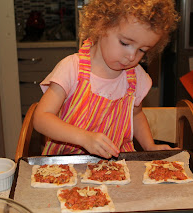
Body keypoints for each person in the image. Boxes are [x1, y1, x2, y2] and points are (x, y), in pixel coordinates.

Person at [33, 0, 180, 159]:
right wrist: (84, 138)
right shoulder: (72, 69)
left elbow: (136, 115)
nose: (131, 56)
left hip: (116, 164)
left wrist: (149, 145)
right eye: (125, 43)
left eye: (142, 50)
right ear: (101, 25)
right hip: (67, 162)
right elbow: (42, 118)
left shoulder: (135, 77)